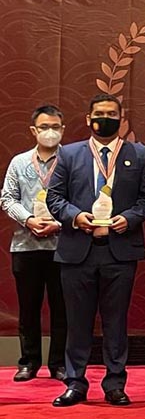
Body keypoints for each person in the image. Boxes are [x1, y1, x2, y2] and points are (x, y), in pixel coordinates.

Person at [46, 94, 145, 407]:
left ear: (121, 119)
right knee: (77, 322)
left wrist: (130, 218)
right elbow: (54, 198)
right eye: (100, 113)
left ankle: (115, 383)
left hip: (119, 251)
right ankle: (75, 383)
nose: (105, 118)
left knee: (116, 322)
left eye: (112, 114)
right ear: (88, 118)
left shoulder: (139, 154)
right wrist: (74, 216)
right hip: (77, 250)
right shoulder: (69, 153)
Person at [0, 105, 67, 382]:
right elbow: (7, 198)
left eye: (55, 127)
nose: (50, 132)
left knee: (63, 309)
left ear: (63, 130)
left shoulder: (72, 161)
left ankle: (60, 364)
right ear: (33, 130)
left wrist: (59, 223)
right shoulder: (19, 163)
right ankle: (28, 362)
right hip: (26, 245)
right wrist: (28, 220)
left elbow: (81, 198)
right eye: (44, 127)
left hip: (64, 246)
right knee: (28, 309)